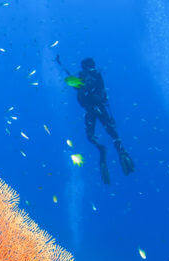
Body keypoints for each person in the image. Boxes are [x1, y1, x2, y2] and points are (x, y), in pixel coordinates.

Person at [58, 56, 135, 184]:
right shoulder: (91, 75)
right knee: (108, 132)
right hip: (95, 109)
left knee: (97, 134)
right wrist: (63, 67)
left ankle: (112, 151)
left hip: (94, 109)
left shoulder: (93, 76)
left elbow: (90, 90)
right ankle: (114, 151)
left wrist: (76, 81)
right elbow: (81, 87)